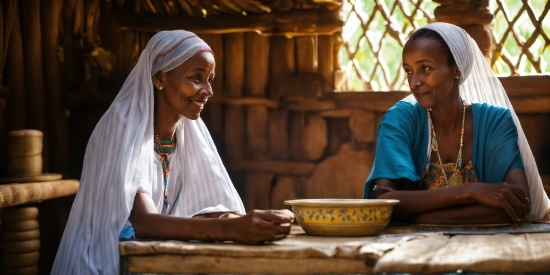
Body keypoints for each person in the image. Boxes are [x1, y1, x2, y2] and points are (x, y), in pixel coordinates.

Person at [52, 30, 294, 275]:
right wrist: (232, 229)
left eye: (210, 78)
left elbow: (207, 206)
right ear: (159, 78)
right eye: (196, 77)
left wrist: (262, 221)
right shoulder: (122, 125)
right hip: (104, 264)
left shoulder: (189, 131)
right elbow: (143, 222)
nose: (207, 90)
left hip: (150, 260)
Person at [364, 22, 550, 225]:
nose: (414, 81)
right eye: (409, 71)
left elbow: (518, 204)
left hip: (485, 248)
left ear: (457, 70)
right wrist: (469, 192)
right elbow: (383, 200)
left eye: (425, 68)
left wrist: (414, 216)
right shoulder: (400, 120)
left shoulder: (494, 122)